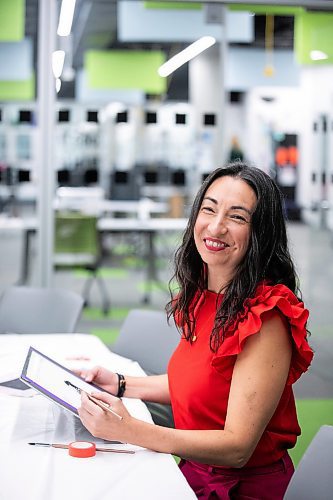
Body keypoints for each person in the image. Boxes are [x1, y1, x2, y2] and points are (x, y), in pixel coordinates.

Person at [78, 162, 313, 499]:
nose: (216, 227)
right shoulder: (206, 296)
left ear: (260, 232)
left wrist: (130, 430)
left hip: (241, 490)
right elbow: (201, 386)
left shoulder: (266, 317)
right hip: (192, 475)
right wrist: (119, 383)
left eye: (237, 217)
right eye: (209, 210)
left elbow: (237, 447)